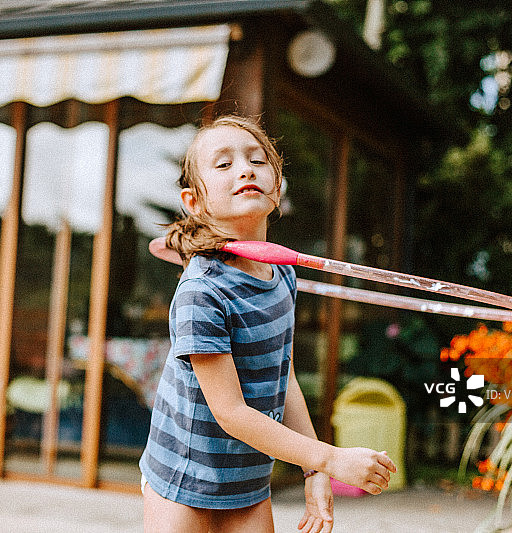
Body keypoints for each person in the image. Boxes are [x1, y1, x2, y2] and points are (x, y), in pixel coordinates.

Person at [138, 115, 396, 533]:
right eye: (224, 164)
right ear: (194, 201)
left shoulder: (282, 276)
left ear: (277, 189)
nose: (245, 169)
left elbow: (283, 372)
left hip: (248, 479)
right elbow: (232, 413)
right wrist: (331, 458)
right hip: (184, 477)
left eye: (257, 160)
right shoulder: (201, 292)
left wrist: (314, 469)